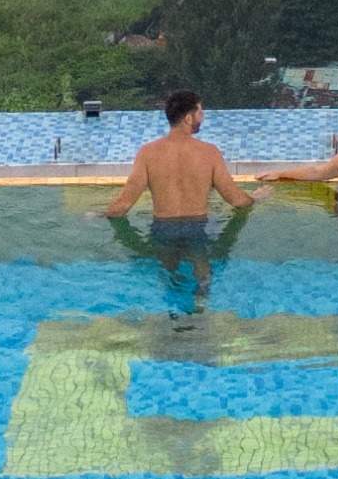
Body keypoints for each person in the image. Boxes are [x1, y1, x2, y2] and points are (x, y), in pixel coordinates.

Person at [104, 91, 266, 318]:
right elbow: (236, 200)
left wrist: (99, 214)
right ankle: (199, 312)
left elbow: (123, 205)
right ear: (189, 118)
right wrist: (255, 198)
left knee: (170, 277)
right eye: (200, 112)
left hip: (163, 228)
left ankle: (174, 317)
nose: (203, 117)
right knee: (203, 276)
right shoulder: (209, 153)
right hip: (197, 227)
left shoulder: (148, 153)